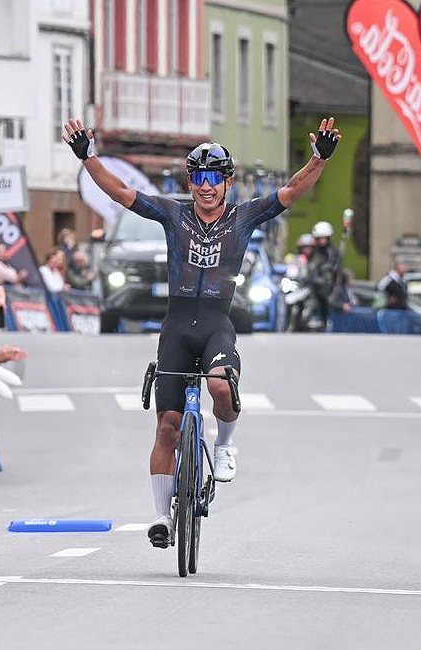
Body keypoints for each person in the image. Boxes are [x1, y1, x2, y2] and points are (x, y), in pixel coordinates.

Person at [63, 115, 341, 547]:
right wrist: (88, 157)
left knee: (222, 388)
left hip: (215, 324)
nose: (205, 186)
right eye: (198, 178)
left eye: (213, 177)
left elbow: (290, 192)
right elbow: (120, 192)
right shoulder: (173, 214)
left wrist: (320, 159)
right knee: (167, 428)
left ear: (227, 182)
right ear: (190, 181)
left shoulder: (244, 216)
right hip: (175, 328)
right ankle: (162, 517)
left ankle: (225, 443)